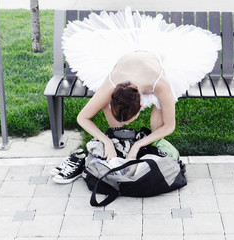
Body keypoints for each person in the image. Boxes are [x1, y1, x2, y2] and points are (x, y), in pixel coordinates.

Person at [51, 7, 221, 183]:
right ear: (113, 97)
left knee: (159, 116)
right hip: (126, 60)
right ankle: (116, 141)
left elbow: (169, 126)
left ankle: (149, 145)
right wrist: (106, 141)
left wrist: (140, 144)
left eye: (127, 120)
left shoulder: (160, 84)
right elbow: (82, 117)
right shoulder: (111, 84)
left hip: (154, 62)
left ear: (140, 105)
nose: (126, 123)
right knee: (111, 126)